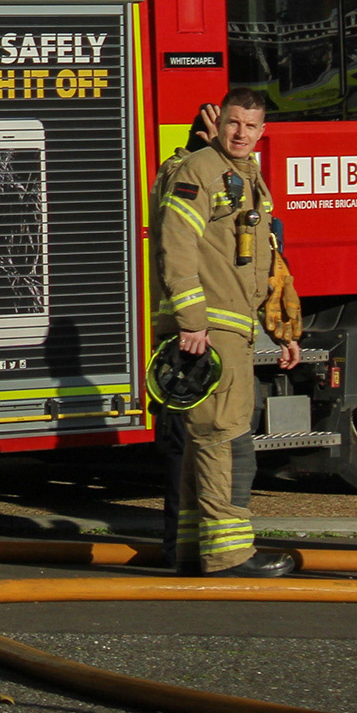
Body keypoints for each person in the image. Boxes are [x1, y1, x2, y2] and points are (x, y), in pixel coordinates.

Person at [153, 87, 302, 577]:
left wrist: (283, 329)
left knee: (207, 440)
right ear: (218, 124)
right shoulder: (201, 170)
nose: (241, 133)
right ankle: (231, 555)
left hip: (231, 328)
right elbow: (176, 244)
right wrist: (192, 321)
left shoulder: (249, 177)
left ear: (263, 132)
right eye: (233, 122)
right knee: (225, 439)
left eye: (250, 126)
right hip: (211, 329)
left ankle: (194, 548)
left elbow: (264, 261)